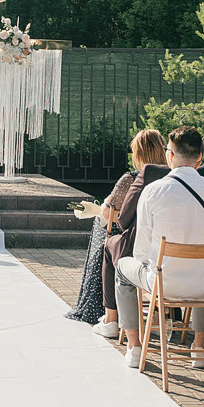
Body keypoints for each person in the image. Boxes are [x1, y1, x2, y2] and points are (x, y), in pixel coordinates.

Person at [118, 128, 204, 372]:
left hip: (163, 283)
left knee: (122, 267)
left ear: (170, 156)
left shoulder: (153, 191)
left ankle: (135, 347)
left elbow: (141, 250)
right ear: (200, 158)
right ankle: (200, 349)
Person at [82, 130, 166, 338]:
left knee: (108, 244)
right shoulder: (175, 178)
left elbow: (114, 215)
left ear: (138, 153)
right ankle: (156, 315)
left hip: (138, 246)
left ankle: (111, 318)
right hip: (169, 251)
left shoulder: (134, 178)